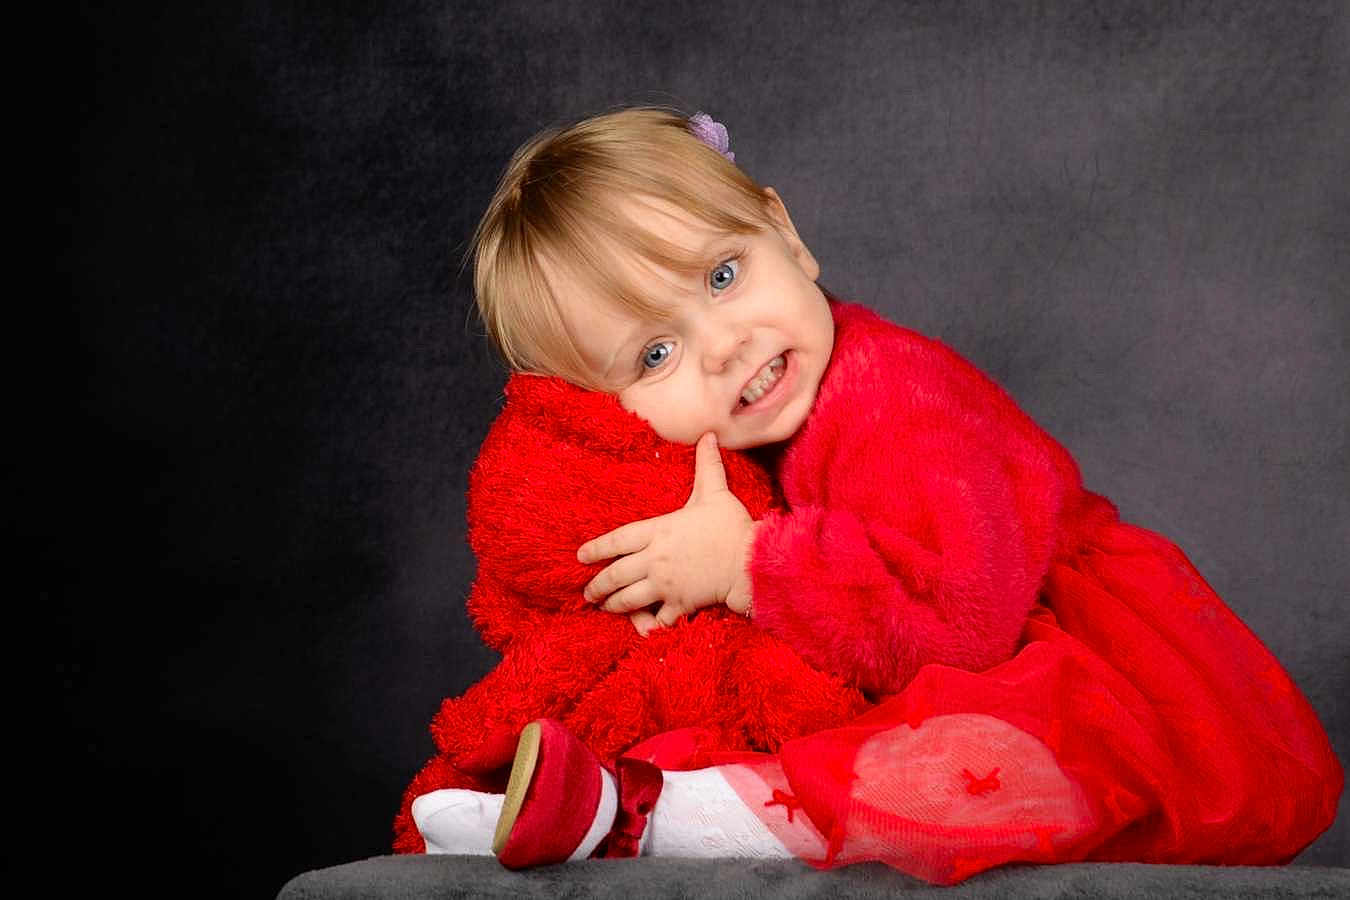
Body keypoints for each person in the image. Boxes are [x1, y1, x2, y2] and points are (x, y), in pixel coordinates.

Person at [410, 106, 1341, 883]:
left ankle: (682, 817)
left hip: (1098, 673)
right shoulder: (754, 436)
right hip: (928, 646)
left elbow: (964, 618)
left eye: (724, 276)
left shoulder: (896, 397)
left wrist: (745, 564)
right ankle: (583, 798)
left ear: (789, 236)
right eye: (656, 354)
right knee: (735, 689)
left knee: (975, 747)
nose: (724, 345)